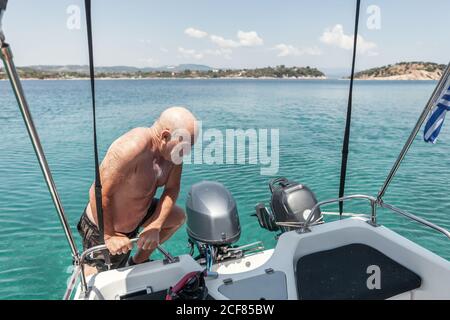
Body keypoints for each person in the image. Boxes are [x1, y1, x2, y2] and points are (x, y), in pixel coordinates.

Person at [77, 106, 198, 275]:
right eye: (185, 146)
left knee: (177, 217)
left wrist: (155, 225)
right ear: (165, 136)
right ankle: (87, 268)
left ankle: (137, 261)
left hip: (139, 212)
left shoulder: (173, 155)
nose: (187, 152)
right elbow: (97, 193)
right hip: (104, 224)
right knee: (97, 282)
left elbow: (172, 188)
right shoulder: (132, 146)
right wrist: (110, 235)